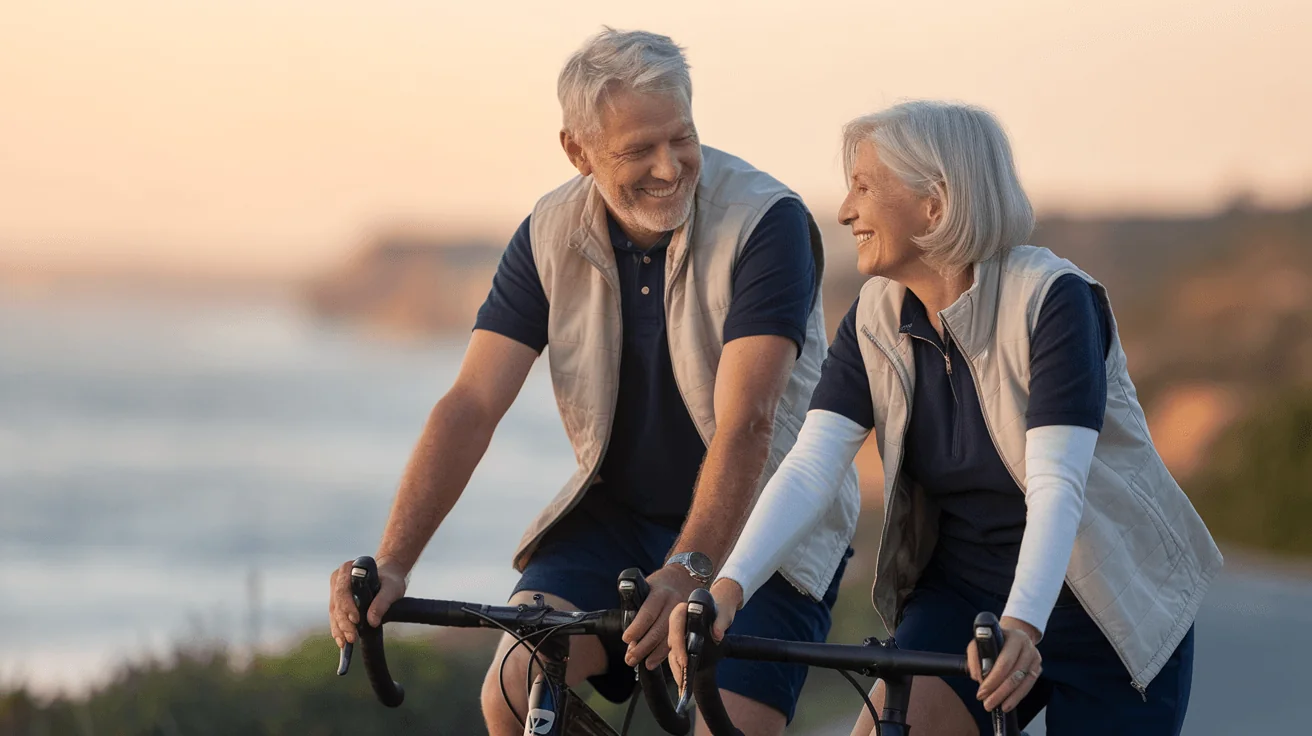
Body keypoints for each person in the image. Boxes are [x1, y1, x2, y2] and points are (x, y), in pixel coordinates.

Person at [327, 28, 859, 736]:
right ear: (577, 151)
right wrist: (394, 561)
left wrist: (688, 568)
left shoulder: (766, 222)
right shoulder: (549, 232)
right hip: (616, 519)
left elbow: (749, 421)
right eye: (639, 150)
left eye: (683, 138)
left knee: (725, 728)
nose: (669, 167)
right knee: (513, 690)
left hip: (758, 525)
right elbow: (472, 404)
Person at [669, 100, 1222, 736]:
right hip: (964, 596)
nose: (845, 210)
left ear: (934, 203)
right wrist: (727, 590)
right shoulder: (875, 315)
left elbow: (1056, 486)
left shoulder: (1052, 300)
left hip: (1105, 602)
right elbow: (811, 468)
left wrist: (1023, 624)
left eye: (864, 187)